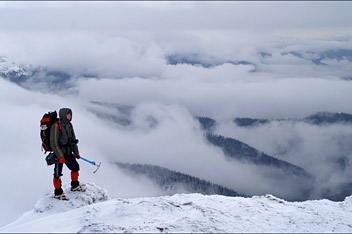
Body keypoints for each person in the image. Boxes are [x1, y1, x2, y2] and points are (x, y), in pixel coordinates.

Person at [50, 108, 86, 200]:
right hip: (59, 153)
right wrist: (60, 156)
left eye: (70, 114)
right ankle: (58, 193)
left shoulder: (69, 125)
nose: (70, 116)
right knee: (57, 173)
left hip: (68, 151)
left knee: (75, 167)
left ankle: (75, 185)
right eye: (68, 114)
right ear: (63, 115)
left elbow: (73, 140)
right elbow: (54, 143)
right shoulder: (56, 126)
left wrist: (76, 152)